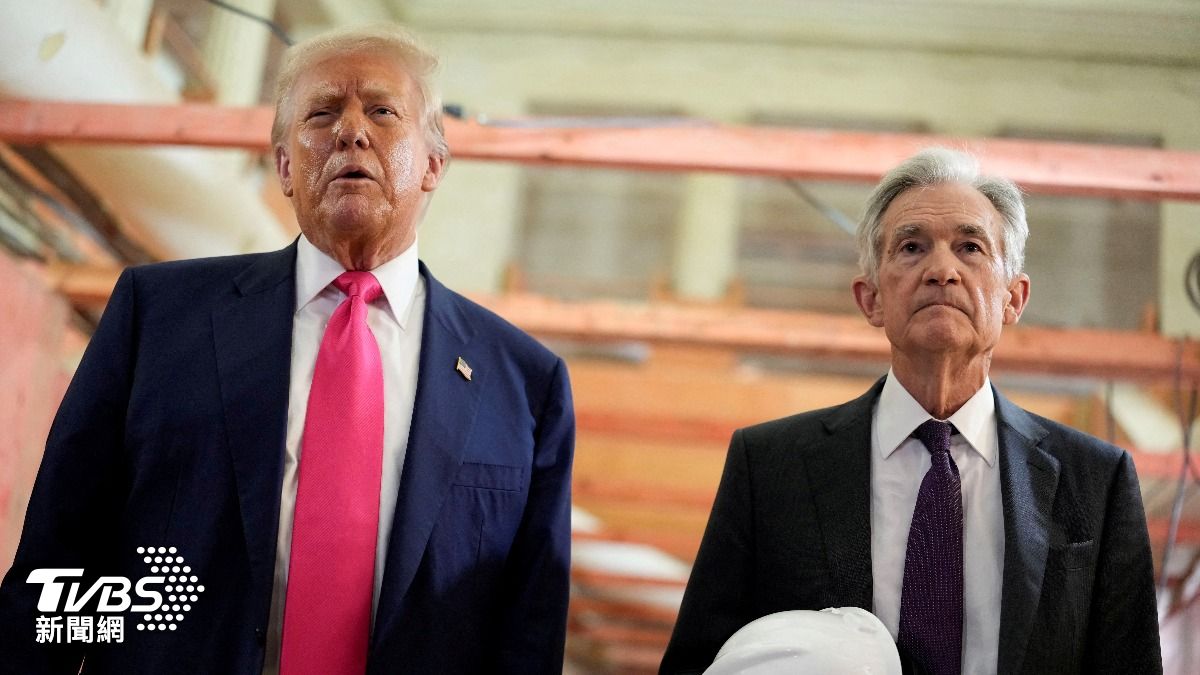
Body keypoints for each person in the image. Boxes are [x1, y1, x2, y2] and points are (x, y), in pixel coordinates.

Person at [0, 24, 574, 675]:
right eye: (321, 114)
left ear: (434, 165)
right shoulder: (157, 318)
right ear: (283, 168)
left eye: (382, 112)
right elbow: (57, 559)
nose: (350, 132)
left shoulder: (525, 386)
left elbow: (529, 634)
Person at [660, 148, 1161, 675]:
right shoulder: (769, 467)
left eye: (970, 247)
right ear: (870, 298)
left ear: (1014, 298)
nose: (941, 270)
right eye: (911, 247)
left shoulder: (1095, 481)